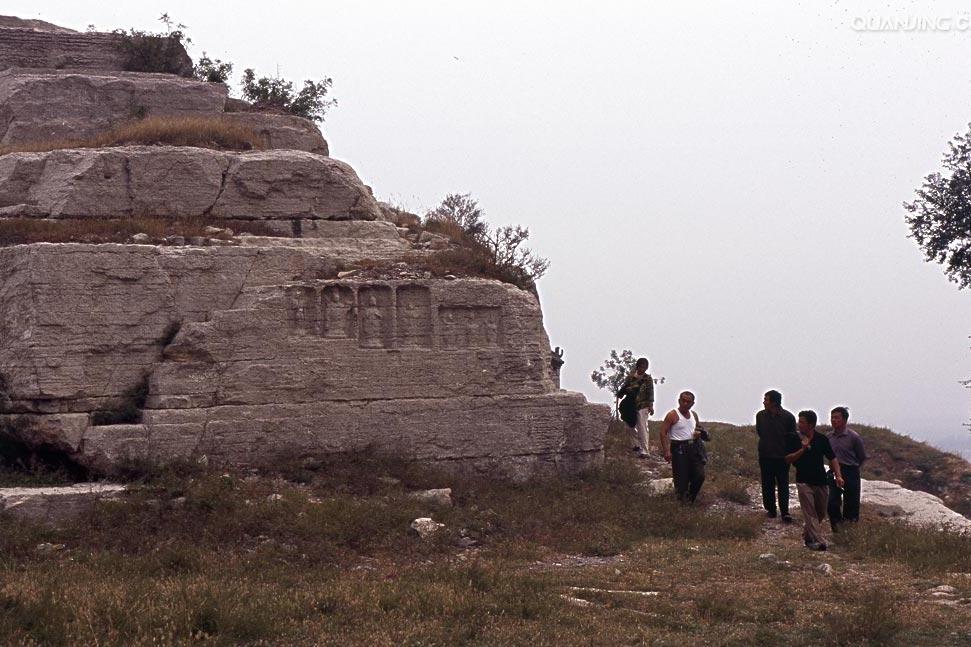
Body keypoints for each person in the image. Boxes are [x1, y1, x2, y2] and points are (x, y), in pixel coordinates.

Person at [785, 410, 844, 551]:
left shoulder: (821, 439)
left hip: (821, 481)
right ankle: (820, 541)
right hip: (803, 481)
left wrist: (839, 476)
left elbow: (832, 458)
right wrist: (803, 449)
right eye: (799, 421)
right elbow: (788, 459)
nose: (799, 424)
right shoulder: (794, 438)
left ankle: (807, 537)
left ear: (811, 424)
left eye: (802, 422)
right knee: (810, 513)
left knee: (820, 513)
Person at [755, 390, 799, 523]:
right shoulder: (760, 415)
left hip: (782, 457)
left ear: (773, 402)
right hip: (765, 455)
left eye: (766, 399)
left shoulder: (788, 417)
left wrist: (789, 455)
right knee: (767, 483)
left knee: (783, 484)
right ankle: (771, 510)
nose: (763, 402)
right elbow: (760, 432)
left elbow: (792, 438)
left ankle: (785, 512)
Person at [660, 391, 709, 503]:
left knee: (699, 476)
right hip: (679, 449)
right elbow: (663, 432)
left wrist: (699, 433)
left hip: (694, 448)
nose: (685, 403)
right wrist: (666, 451)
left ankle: (690, 499)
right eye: (683, 400)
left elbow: (697, 428)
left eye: (688, 401)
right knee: (681, 481)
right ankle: (682, 503)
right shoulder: (672, 415)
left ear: (692, 403)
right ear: (679, 401)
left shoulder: (694, 415)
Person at [827, 406, 866, 531]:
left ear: (845, 420)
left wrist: (853, 468)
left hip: (850, 471)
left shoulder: (853, 437)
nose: (833, 420)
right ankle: (837, 529)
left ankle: (849, 532)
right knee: (832, 503)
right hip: (833, 472)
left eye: (837, 417)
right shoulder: (829, 437)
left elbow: (862, 456)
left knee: (851, 505)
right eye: (832, 417)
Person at [616, 358, 654, 458]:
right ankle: (636, 446)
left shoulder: (647, 379)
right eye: (641, 366)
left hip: (642, 405)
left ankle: (645, 451)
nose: (643, 369)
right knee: (629, 425)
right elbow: (625, 387)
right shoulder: (631, 377)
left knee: (642, 428)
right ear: (638, 366)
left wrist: (651, 405)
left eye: (645, 367)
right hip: (630, 405)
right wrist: (622, 393)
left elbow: (650, 392)